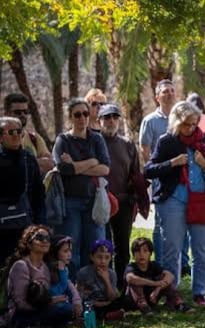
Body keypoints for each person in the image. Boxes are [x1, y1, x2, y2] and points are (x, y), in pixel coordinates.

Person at [144, 101, 205, 306]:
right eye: (186, 124)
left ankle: (199, 291)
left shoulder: (204, 139)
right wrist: (172, 163)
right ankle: (171, 291)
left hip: (199, 199)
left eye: (194, 124)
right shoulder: (167, 141)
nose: (191, 128)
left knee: (201, 248)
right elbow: (149, 170)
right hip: (173, 201)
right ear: (176, 121)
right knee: (172, 248)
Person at [53, 98, 110, 275]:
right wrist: (92, 162)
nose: (82, 118)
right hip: (71, 202)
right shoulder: (63, 140)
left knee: (95, 247)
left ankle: (92, 288)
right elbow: (63, 169)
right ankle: (72, 289)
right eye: (77, 115)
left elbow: (105, 168)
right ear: (70, 117)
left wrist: (76, 165)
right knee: (71, 248)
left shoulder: (97, 139)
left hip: (94, 201)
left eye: (85, 113)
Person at [139, 79, 185, 273]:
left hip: (182, 179)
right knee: (160, 224)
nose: (169, 94)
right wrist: (158, 170)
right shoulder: (150, 121)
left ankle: (183, 263)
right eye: (165, 92)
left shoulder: (182, 120)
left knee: (183, 223)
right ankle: (160, 262)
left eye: (172, 91)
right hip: (162, 178)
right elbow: (145, 149)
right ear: (157, 96)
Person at [98, 103, 145, 288]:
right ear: (99, 120)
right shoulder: (94, 142)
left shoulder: (127, 144)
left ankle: (123, 288)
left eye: (115, 117)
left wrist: (136, 197)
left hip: (123, 203)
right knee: (102, 247)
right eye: (107, 117)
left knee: (122, 248)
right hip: (100, 202)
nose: (111, 121)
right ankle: (103, 286)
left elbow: (135, 174)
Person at [3, 225, 73, 328]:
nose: (45, 241)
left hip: (40, 309)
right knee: (63, 310)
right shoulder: (21, 265)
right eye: (39, 237)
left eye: (47, 238)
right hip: (20, 313)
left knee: (66, 307)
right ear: (29, 244)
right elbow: (21, 304)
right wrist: (50, 302)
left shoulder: (45, 267)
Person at [0, 115, 46, 262]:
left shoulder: (28, 158)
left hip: (26, 226)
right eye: (11, 132)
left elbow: (39, 194)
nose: (16, 136)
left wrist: (40, 225)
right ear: (1, 137)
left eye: (19, 131)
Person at [124, 237, 190, 314]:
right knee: (135, 282)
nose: (141, 254)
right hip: (133, 301)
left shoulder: (153, 265)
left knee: (164, 278)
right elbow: (130, 279)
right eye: (138, 251)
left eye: (145, 251)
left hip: (152, 298)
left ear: (150, 254)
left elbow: (170, 276)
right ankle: (143, 307)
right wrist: (155, 283)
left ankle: (179, 303)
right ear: (133, 255)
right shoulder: (131, 267)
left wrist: (157, 289)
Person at [76, 238, 126, 321]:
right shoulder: (83, 273)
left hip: (107, 302)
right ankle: (106, 316)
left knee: (123, 301)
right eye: (99, 257)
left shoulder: (111, 273)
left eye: (107, 258)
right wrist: (95, 303)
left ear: (110, 258)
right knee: (85, 307)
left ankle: (106, 315)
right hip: (91, 304)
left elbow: (112, 297)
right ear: (92, 257)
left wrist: (106, 279)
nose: (103, 261)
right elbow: (80, 294)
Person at [3, 92, 53, 175]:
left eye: (25, 112)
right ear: (6, 114)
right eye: (18, 112)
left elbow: (49, 164)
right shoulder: (2, 139)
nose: (23, 115)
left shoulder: (34, 138)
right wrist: (35, 163)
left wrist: (19, 164)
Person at [45, 234, 82, 323]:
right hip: (51, 303)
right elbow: (55, 291)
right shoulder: (48, 269)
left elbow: (70, 287)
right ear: (55, 252)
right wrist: (61, 271)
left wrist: (77, 303)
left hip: (62, 301)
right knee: (64, 309)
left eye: (70, 251)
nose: (69, 254)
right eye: (65, 251)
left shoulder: (65, 268)